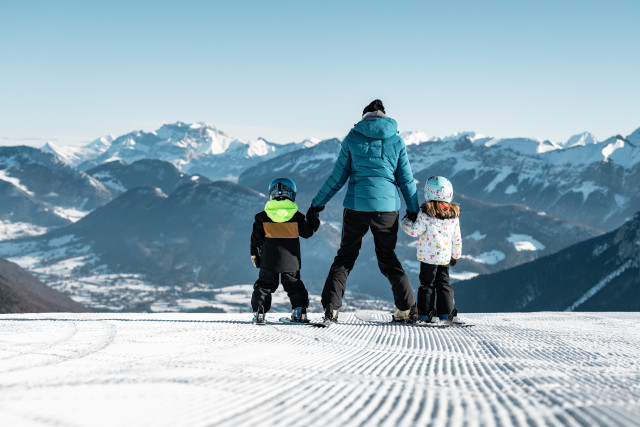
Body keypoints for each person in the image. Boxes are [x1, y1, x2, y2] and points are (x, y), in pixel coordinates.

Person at [307, 99, 420, 324]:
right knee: (388, 257)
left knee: (345, 256)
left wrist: (317, 205)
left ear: (364, 117)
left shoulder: (352, 138)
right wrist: (414, 209)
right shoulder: (396, 141)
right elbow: (406, 180)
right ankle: (407, 309)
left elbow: (337, 177)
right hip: (387, 210)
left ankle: (331, 308)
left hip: (356, 207)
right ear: (385, 116)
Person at [250, 177, 320, 324]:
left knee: (264, 285)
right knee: (294, 286)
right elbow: (308, 233)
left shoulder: (262, 217)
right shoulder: (297, 217)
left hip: (268, 261)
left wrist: (255, 257)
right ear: (292, 195)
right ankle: (299, 312)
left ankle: (259, 312)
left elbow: (256, 241)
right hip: (291, 261)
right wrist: (313, 217)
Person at [400, 176, 462, 322]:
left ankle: (424, 314)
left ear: (428, 194)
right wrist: (455, 255)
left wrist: (405, 221)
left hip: (428, 258)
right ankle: (446, 313)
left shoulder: (425, 214)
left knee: (427, 285)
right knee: (444, 284)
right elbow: (456, 238)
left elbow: (415, 231)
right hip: (445, 258)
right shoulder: (454, 216)